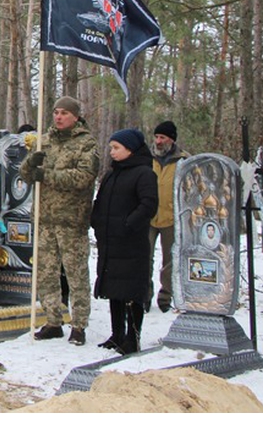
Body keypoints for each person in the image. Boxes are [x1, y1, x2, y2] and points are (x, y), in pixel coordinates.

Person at [20, 96, 99, 346]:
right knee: (46, 274)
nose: (58, 117)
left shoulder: (86, 143)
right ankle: (53, 320)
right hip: (44, 219)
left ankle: (79, 324)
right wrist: (30, 164)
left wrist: (48, 175)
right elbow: (26, 174)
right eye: (55, 112)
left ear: (75, 117)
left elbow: (83, 177)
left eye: (64, 113)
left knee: (76, 276)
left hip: (71, 220)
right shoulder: (45, 141)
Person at [91, 129, 159, 355]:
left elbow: (148, 205)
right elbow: (101, 201)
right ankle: (117, 333)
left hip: (131, 243)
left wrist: (128, 224)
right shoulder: (112, 173)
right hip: (110, 242)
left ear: (130, 149)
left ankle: (133, 337)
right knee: (114, 290)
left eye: (116, 148)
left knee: (131, 291)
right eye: (111, 148)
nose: (112, 152)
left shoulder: (144, 174)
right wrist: (97, 221)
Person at [148, 120, 189, 313]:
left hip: (172, 219)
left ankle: (166, 295)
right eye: (156, 137)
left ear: (171, 140)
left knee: (170, 260)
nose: (158, 141)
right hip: (148, 216)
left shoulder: (184, 161)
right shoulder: (147, 158)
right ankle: (144, 295)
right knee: (144, 257)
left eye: (162, 137)